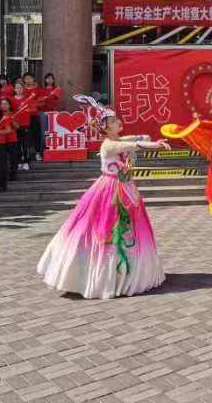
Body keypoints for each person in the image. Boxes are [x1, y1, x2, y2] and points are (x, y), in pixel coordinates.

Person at [37, 94, 169, 299]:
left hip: (126, 189)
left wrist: (150, 139)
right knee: (108, 229)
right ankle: (103, 275)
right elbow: (136, 145)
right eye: (114, 121)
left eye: (117, 119)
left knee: (128, 231)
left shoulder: (118, 139)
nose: (118, 122)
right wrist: (154, 145)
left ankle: (127, 272)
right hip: (110, 190)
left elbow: (140, 138)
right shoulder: (109, 144)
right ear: (106, 127)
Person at [0, 98, 20, 181]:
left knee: (13, 158)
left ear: (9, 105)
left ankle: (13, 174)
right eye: (2, 104)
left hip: (12, 139)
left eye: (5, 104)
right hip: (1, 139)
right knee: (2, 159)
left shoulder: (13, 114)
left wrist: (12, 119)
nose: (4, 106)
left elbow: (17, 127)